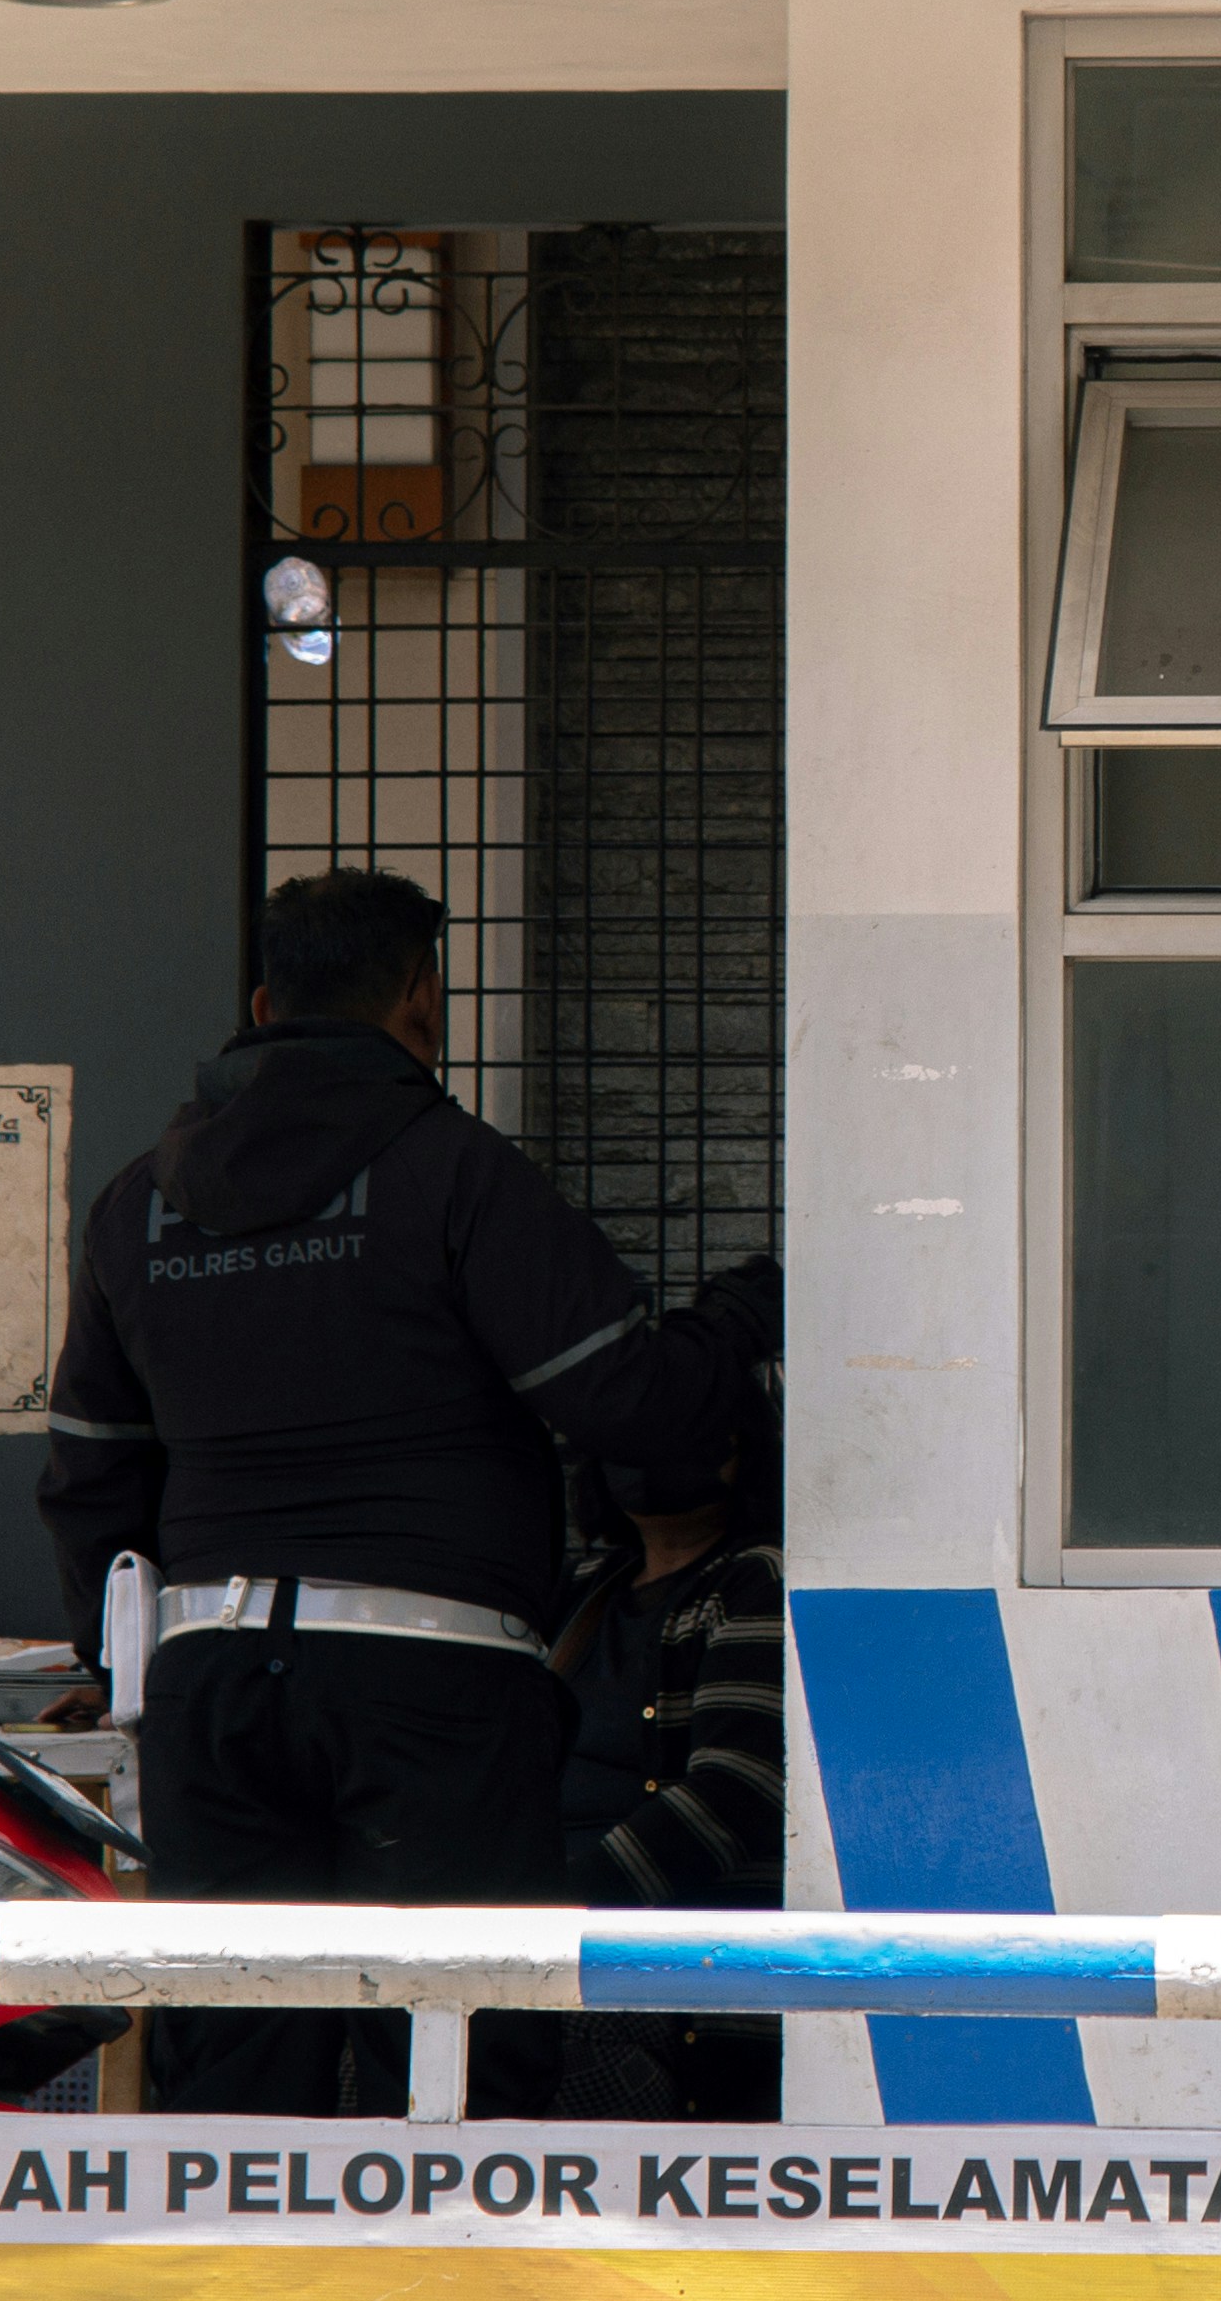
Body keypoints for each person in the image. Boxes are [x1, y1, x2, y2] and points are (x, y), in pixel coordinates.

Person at [39, 868, 778, 2118]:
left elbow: (88, 1475)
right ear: (422, 1003)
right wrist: (743, 1312)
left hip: (211, 1686)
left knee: (237, 2054)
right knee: (457, 2045)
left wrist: (127, 1668)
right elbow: (626, 1399)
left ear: (264, 1004)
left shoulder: (135, 1206)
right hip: (429, 1682)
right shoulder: (454, 1173)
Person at [544, 1406, 790, 2121]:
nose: (653, 1451)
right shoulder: (582, 1592)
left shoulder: (756, 1578)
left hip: (657, 1992)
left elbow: (738, 1793)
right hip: (549, 1958)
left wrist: (549, 1917)